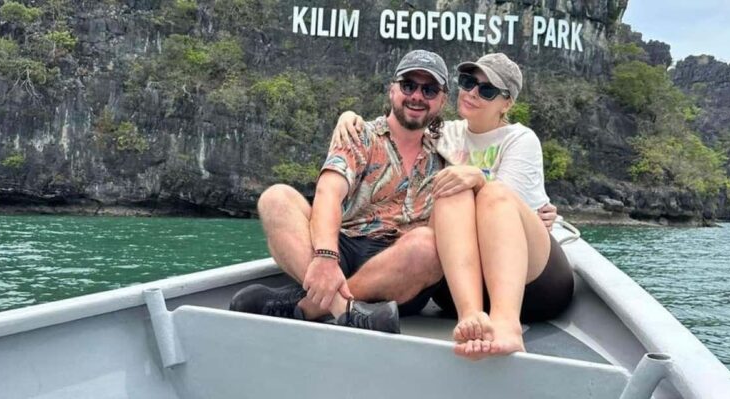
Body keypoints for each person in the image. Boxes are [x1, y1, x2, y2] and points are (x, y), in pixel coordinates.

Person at [333, 53, 574, 358]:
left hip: (529, 282)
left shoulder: (519, 139)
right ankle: (471, 317)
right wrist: (350, 117)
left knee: (490, 194)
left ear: (507, 103)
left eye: (487, 90)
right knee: (449, 187)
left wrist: (479, 179)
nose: (473, 92)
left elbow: (508, 212)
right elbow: (399, 127)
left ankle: (506, 325)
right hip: (461, 282)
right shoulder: (443, 133)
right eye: (469, 82)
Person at [228, 50, 451, 333]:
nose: (417, 96)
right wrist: (325, 256)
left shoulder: (450, 150)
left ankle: (307, 307)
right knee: (276, 198)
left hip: (398, 269)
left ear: (442, 99)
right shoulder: (358, 135)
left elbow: (491, 131)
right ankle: (348, 311)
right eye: (408, 85)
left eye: (429, 89)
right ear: (392, 89)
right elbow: (329, 193)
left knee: (428, 245)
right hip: (343, 244)